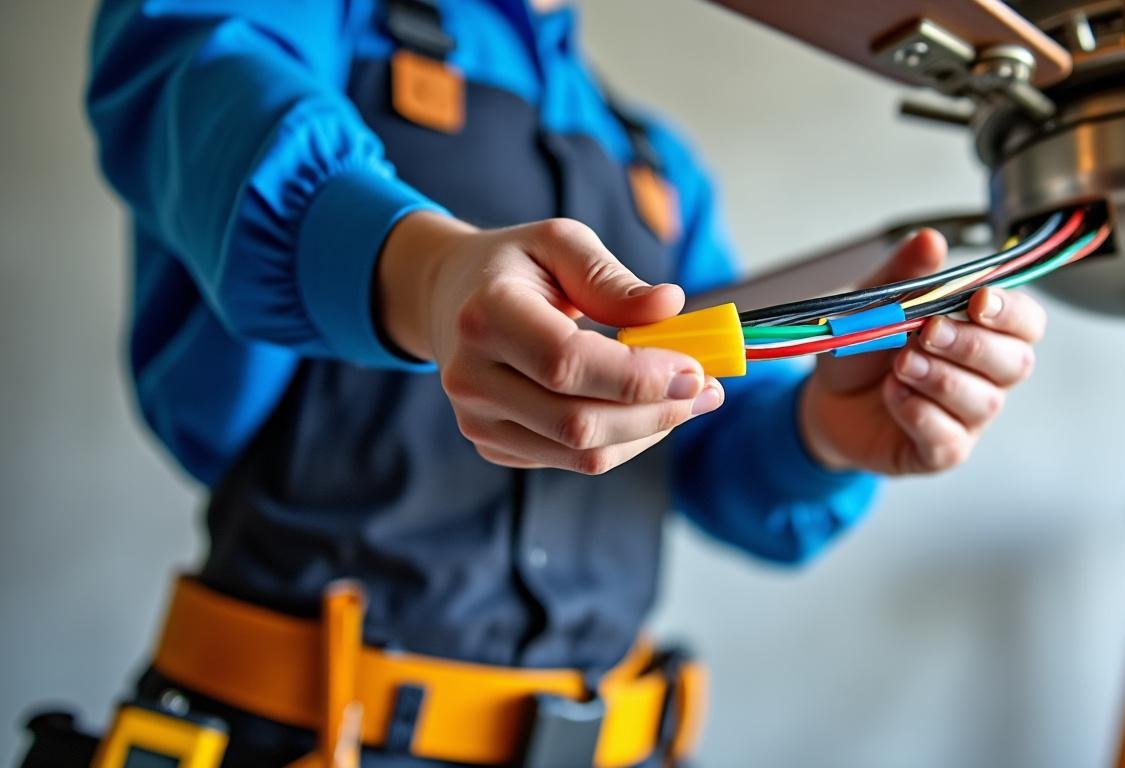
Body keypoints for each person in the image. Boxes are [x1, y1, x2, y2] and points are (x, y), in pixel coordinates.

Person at [63, 0, 1046, 765]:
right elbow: (214, 102)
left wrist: (826, 433)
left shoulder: (656, 163)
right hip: (304, 742)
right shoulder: (309, 23)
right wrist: (429, 274)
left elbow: (714, 453)